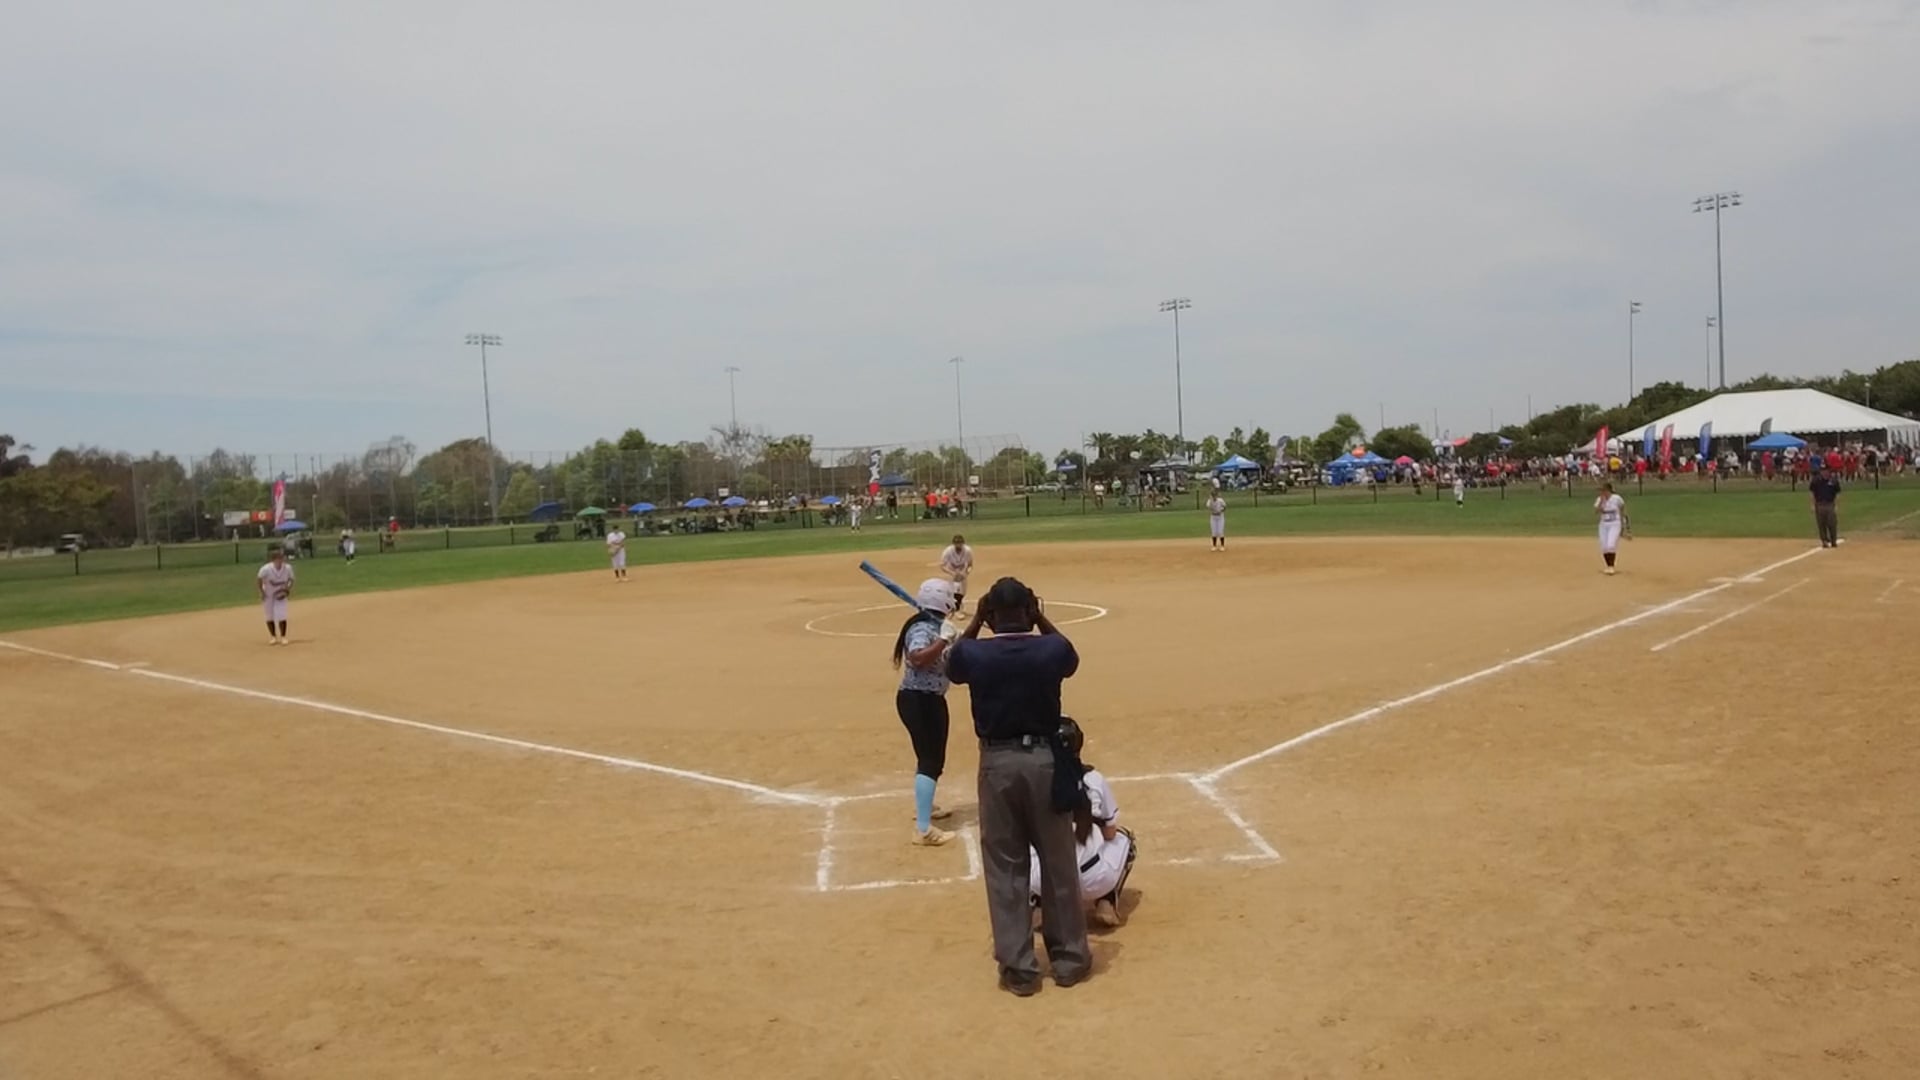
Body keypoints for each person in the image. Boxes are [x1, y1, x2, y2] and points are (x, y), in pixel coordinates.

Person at [947, 577, 1089, 997]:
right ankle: (1069, 959)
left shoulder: (974, 653)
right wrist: (1039, 616)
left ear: (991, 614)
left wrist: (977, 619)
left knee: (1006, 866)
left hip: (998, 764)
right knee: (1059, 862)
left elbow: (954, 666)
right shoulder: (1050, 649)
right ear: (1029, 610)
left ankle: (1020, 969)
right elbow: (1069, 654)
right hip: (1045, 761)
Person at [1028, 718, 1136, 928]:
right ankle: (1106, 901)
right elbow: (1110, 833)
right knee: (1125, 839)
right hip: (1092, 880)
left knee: (1028, 841)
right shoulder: (1093, 779)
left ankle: (1039, 904)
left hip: (1042, 880)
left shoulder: (1034, 779)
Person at [892, 579, 962, 846]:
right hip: (919, 701)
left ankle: (926, 805)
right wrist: (944, 639)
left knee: (931, 757)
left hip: (928, 700)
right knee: (931, 760)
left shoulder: (935, 625)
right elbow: (918, 658)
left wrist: (954, 638)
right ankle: (923, 830)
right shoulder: (922, 628)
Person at [257, 546, 294, 645]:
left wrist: (287, 589)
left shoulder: (287, 568)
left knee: (282, 615)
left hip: (280, 594)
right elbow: (259, 579)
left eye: (281, 558)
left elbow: (291, 579)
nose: (280, 561)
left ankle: (283, 637)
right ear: (273, 560)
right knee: (269, 615)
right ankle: (273, 636)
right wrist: (262, 592)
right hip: (268, 594)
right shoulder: (266, 569)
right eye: (278, 559)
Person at [1594, 481, 1630, 575]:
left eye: (1603, 490)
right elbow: (1596, 511)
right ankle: (1608, 566)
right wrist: (1601, 502)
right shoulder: (1599, 499)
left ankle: (1611, 566)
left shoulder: (1617, 498)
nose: (1601, 492)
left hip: (1615, 523)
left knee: (1611, 544)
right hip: (1603, 524)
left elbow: (1623, 509)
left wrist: (1624, 524)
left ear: (1608, 490)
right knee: (1604, 546)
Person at [940, 534, 974, 612]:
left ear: (963, 543)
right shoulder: (948, 551)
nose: (958, 546)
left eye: (960, 543)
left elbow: (970, 565)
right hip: (951, 572)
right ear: (953, 544)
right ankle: (955, 608)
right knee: (952, 591)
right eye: (956, 544)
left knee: (963, 592)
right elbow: (942, 566)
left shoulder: (968, 551)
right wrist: (952, 573)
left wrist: (965, 573)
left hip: (963, 572)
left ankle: (958, 604)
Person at [1810, 465, 1842, 548]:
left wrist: (1836, 504)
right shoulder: (1816, 480)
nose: (1824, 472)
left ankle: (1833, 540)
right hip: (1819, 504)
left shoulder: (1833, 481)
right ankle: (1824, 540)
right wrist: (1812, 504)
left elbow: (1838, 493)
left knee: (1832, 523)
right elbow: (1812, 493)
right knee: (1821, 524)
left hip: (1830, 504)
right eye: (1822, 470)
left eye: (1826, 470)